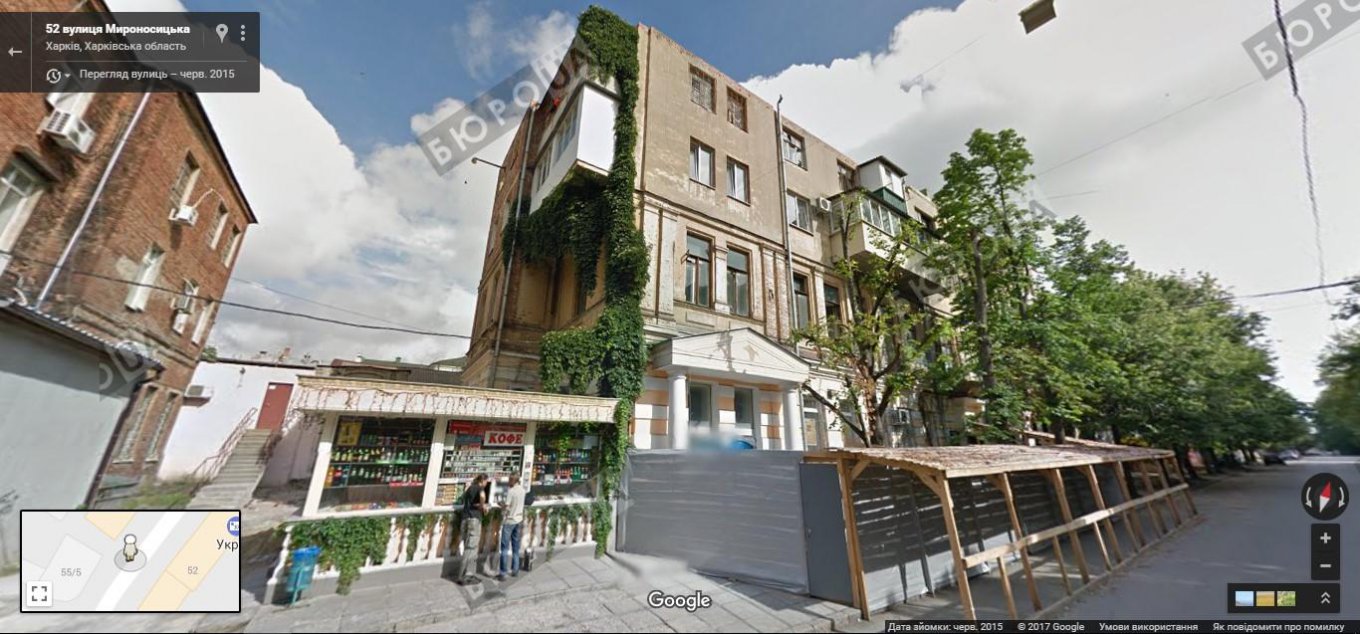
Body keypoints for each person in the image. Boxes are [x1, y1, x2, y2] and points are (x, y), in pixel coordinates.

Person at [456, 474, 488, 585]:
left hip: (465, 519)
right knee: (471, 548)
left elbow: (468, 501)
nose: (486, 484)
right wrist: (483, 506)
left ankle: (467, 574)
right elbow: (482, 497)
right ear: (483, 480)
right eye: (486, 482)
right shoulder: (480, 489)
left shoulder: (470, 488)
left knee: (468, 547)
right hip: (474, 520)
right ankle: (464, 576)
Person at [498, 475, 526, 580]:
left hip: (509, 521)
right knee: (516, 547)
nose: (508, 481)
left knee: (504, 548)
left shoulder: (511, 491)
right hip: (519, 520)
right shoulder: (522, 490)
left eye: (510, 480)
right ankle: (515, 570)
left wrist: (500, 504)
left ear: (514, 481)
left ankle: (503, 573)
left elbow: (506, 506)